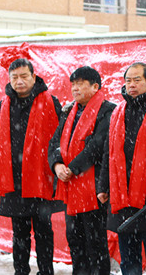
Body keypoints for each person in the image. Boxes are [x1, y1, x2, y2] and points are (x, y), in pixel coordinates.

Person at [97, 62, 146, 275]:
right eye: (128, 80)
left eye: (137, 80)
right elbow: (109, 153)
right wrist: (103, 185)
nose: (131, 85)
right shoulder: (118, 113)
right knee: (129, 260)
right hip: (121, 195)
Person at [0, 58, 62, 275]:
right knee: (19, 232)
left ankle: (46, 271)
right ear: (9, 79)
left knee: (43, 231)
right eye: (14, 77)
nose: (19, 81)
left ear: (33, 76)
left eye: (24, 76)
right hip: (14, 180)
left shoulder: (50, 101)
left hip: (40, 178)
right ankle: (21, 271)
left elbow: (58, 138)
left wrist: (54, 168)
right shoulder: (3, 105)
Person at [48, 66, 115, 275]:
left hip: (94, 188)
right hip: (71, 188)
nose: (75, 89)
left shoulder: (108, 110)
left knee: (95, 243)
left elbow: (97, 145)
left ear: (95, 87)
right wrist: (57, 165)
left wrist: (72, 168)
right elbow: (54, 143)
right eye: (73, 84)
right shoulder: (69, 110)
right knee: (75, 242)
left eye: (80, 84)